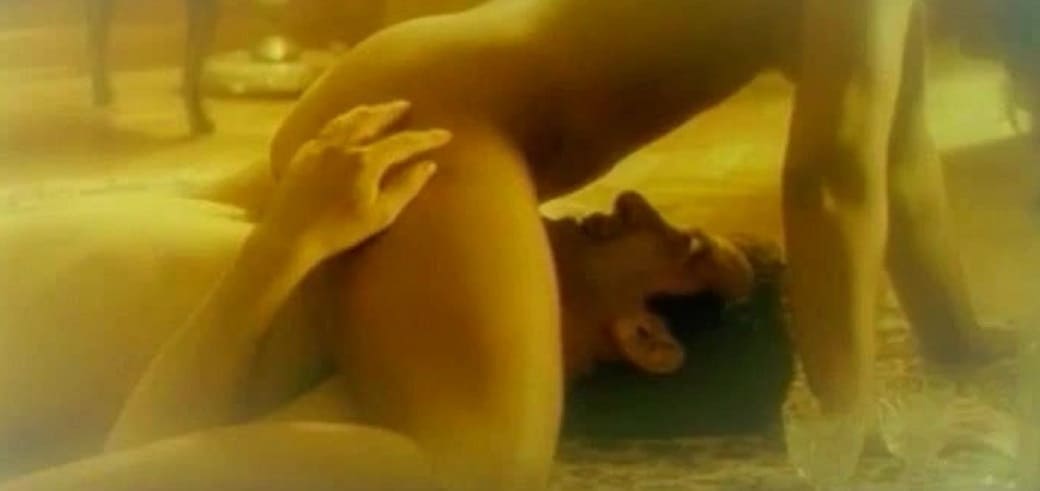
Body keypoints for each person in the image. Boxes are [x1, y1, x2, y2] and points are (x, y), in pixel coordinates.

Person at [261, 1, 1003, 487]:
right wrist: (850, 430)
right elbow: (830, 181)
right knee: (483, 465)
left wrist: (959, 343)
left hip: (441, 97)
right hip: (443, 117)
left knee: (418, 395)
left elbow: (901, 157)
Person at [0, 102, 755, 489]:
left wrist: (282, 248)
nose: (633, 203)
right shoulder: (410, 274)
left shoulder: (410, 406)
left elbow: (132, 477)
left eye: (683, 249)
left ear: (646, 336)